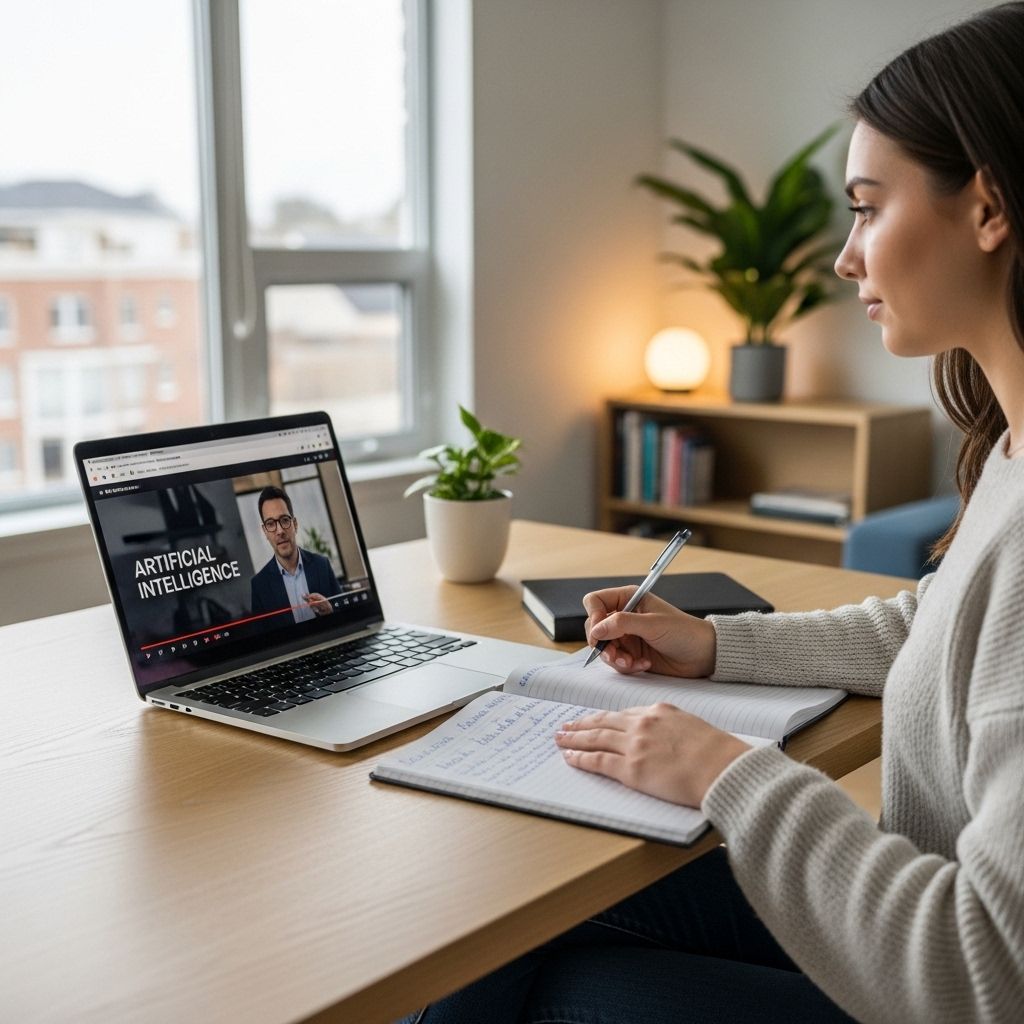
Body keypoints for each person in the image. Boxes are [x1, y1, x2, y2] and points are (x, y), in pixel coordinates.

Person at [402, 4, 1024, 1022]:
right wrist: (714, 644)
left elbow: (983, 974)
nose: (845, 256)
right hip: (917, 919)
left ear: (988, 208)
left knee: (567, 986)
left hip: (941, 973)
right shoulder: (1008, 450)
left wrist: (729, 772)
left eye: (868, 207)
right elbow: (937, 623)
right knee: (527, 905)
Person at [250, 485, 336, 625]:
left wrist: (330, 612)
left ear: (294, 524)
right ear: (265, 531)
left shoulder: (322, 565)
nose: (279, 531)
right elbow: (265, 641)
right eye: (271, 524)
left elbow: (346, 616)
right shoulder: (259, 586)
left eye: (284, 520)